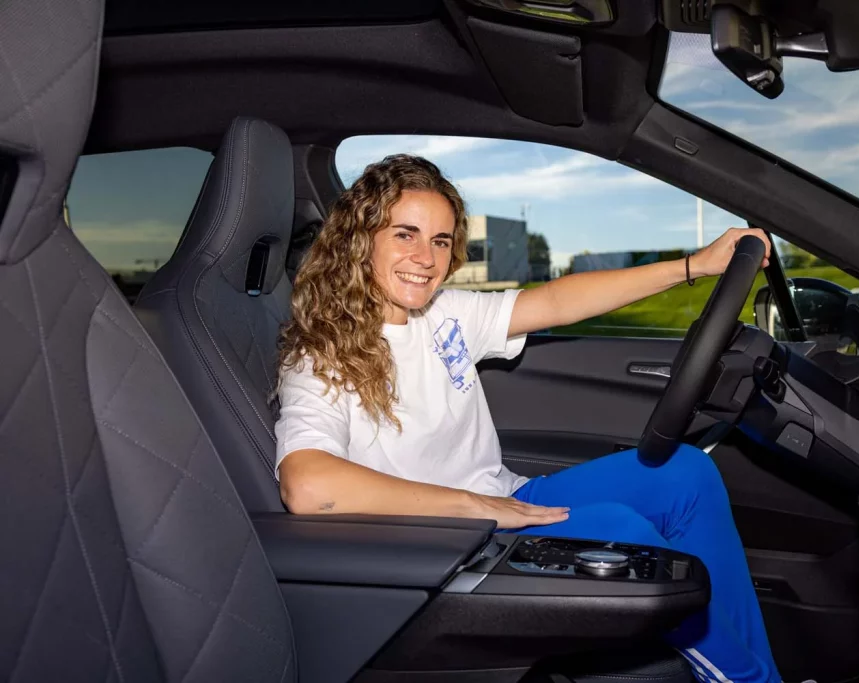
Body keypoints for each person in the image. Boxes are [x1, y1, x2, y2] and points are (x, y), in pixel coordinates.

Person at [274, 154, 781, 683]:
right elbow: (308, 486)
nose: (425, 258)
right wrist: (474, 506)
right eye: (406, 235)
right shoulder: (319, 357)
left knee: (687, 473)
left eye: (441, 241)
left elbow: (557, 300)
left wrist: (693, 266)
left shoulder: (442, 313)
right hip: (448, 541)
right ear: (362, 239)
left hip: (509, 499)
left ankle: (762, 673)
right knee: (628, 536)